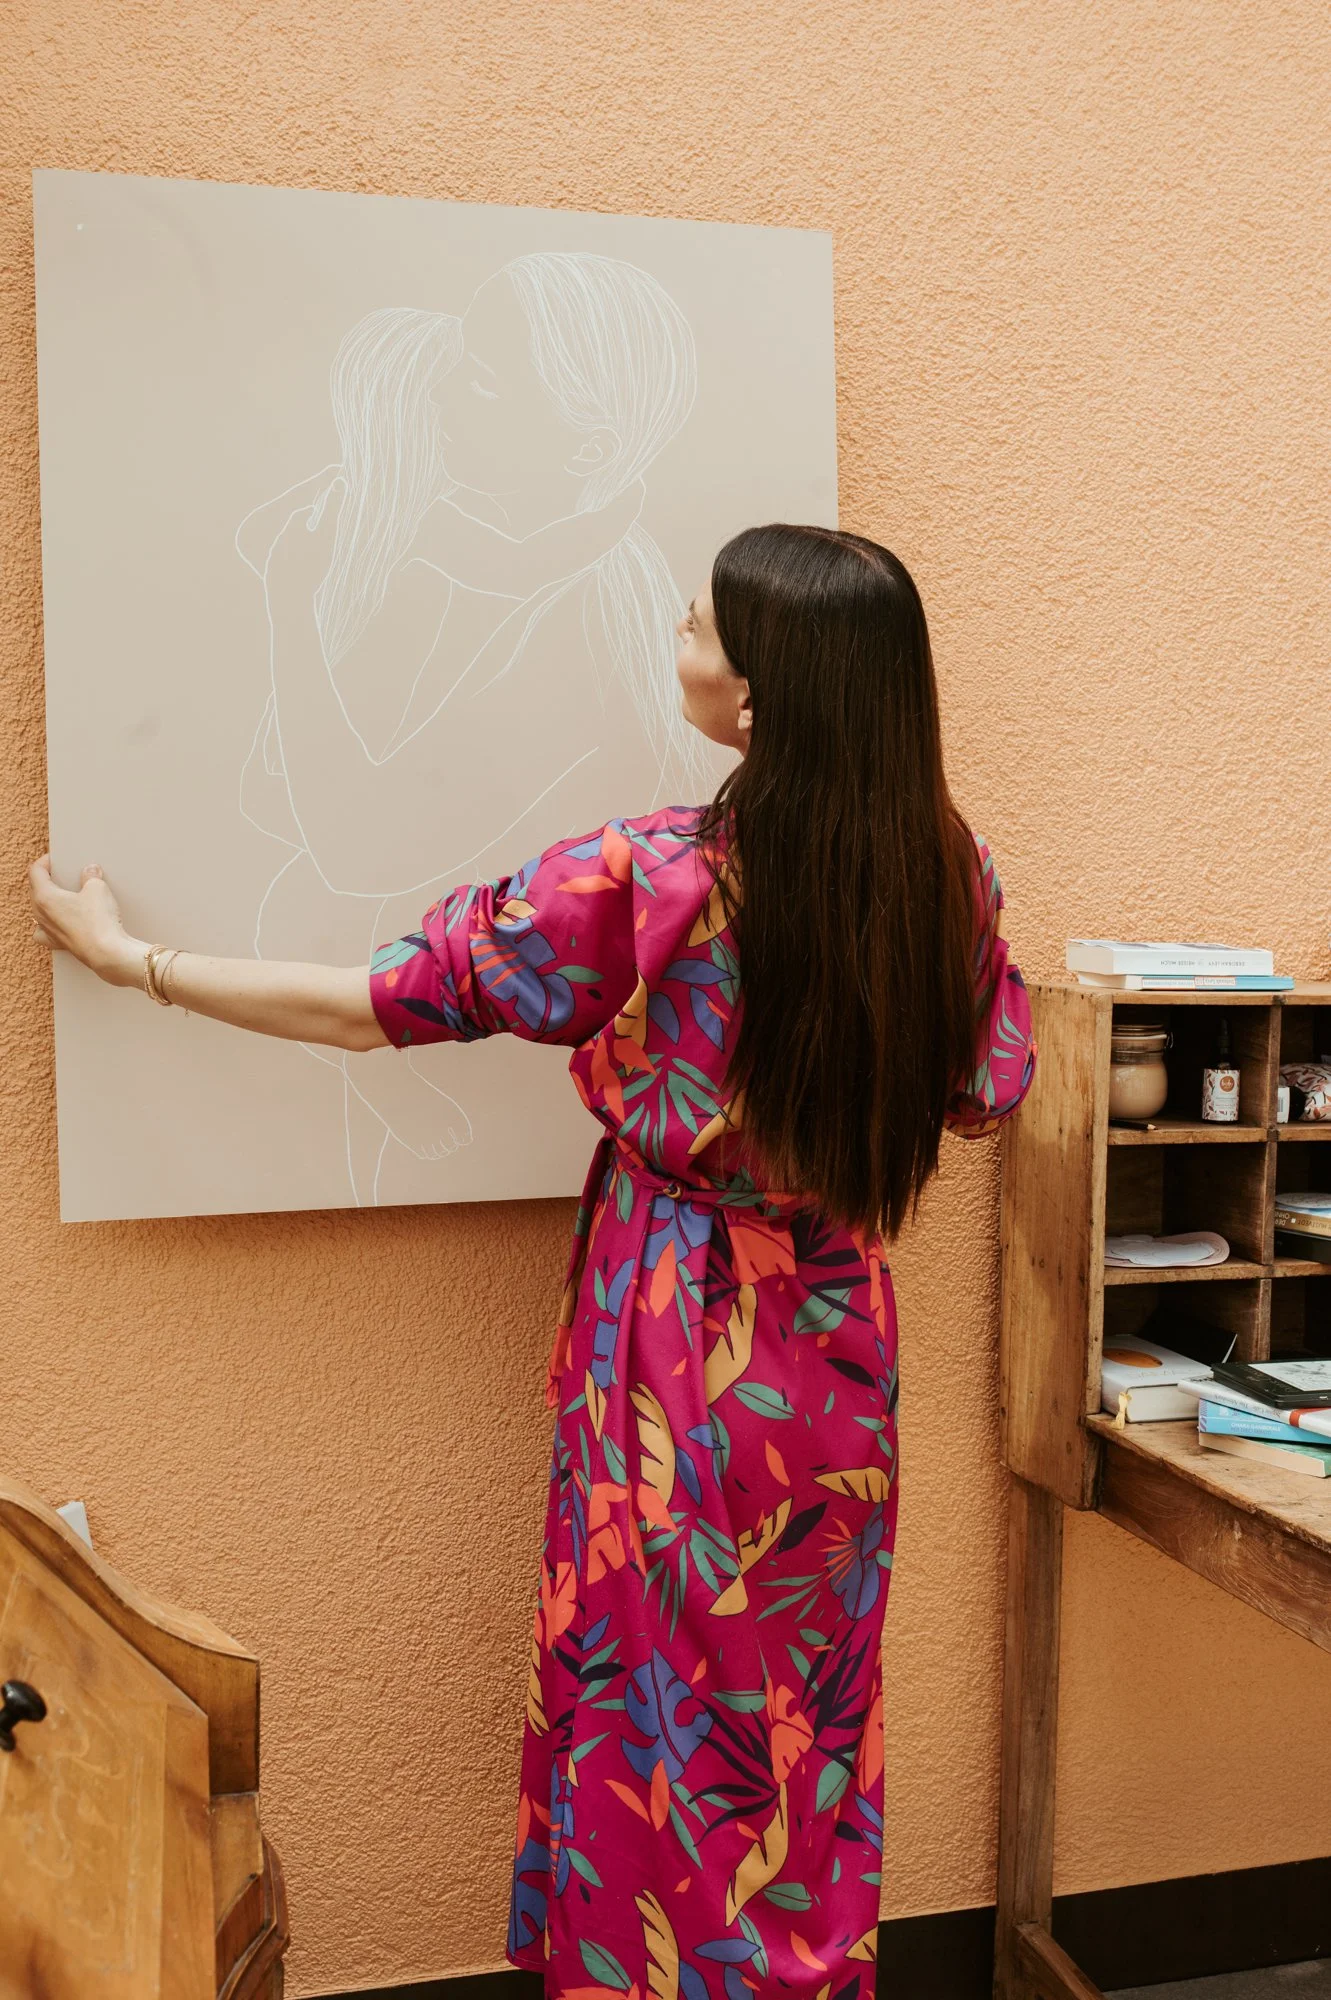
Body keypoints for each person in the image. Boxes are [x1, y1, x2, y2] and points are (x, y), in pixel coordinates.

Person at [30, 523, 1035, 2000]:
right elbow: (981, 1086)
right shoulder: (945, 873)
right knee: (801, 1712)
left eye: (696, 628)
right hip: (836, 1339)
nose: (675, 640)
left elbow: (379, 1005)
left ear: (756, 701)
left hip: (677, 1340)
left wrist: (135, 965)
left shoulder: (647, 880)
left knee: (659, 1698)